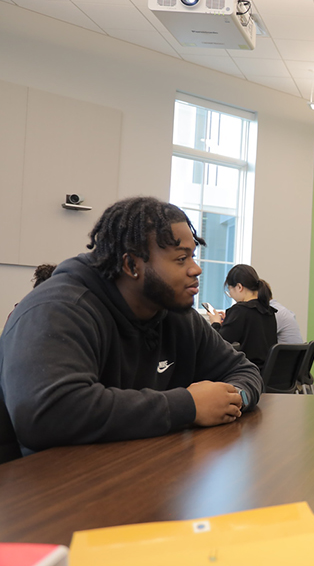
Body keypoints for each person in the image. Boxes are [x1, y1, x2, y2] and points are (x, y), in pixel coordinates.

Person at [0, 197, 263, 463]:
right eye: (181, 258)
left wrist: (233, 398)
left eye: (192, 256)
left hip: (134, 474)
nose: (196, 269)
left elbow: (243, 370)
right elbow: (48, 414)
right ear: (131, 265)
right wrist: (188, 406)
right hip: (44, 489)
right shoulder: (56, 310)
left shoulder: (174, 314)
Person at [206, 264, 277, 370]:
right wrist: (229, 320)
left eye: (230, 290)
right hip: (267, 373)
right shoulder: (268, 311)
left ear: (239, 287)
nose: (231, 296)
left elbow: (219, 345)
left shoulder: (240, 310)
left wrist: (215, 323)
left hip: (247, 372)